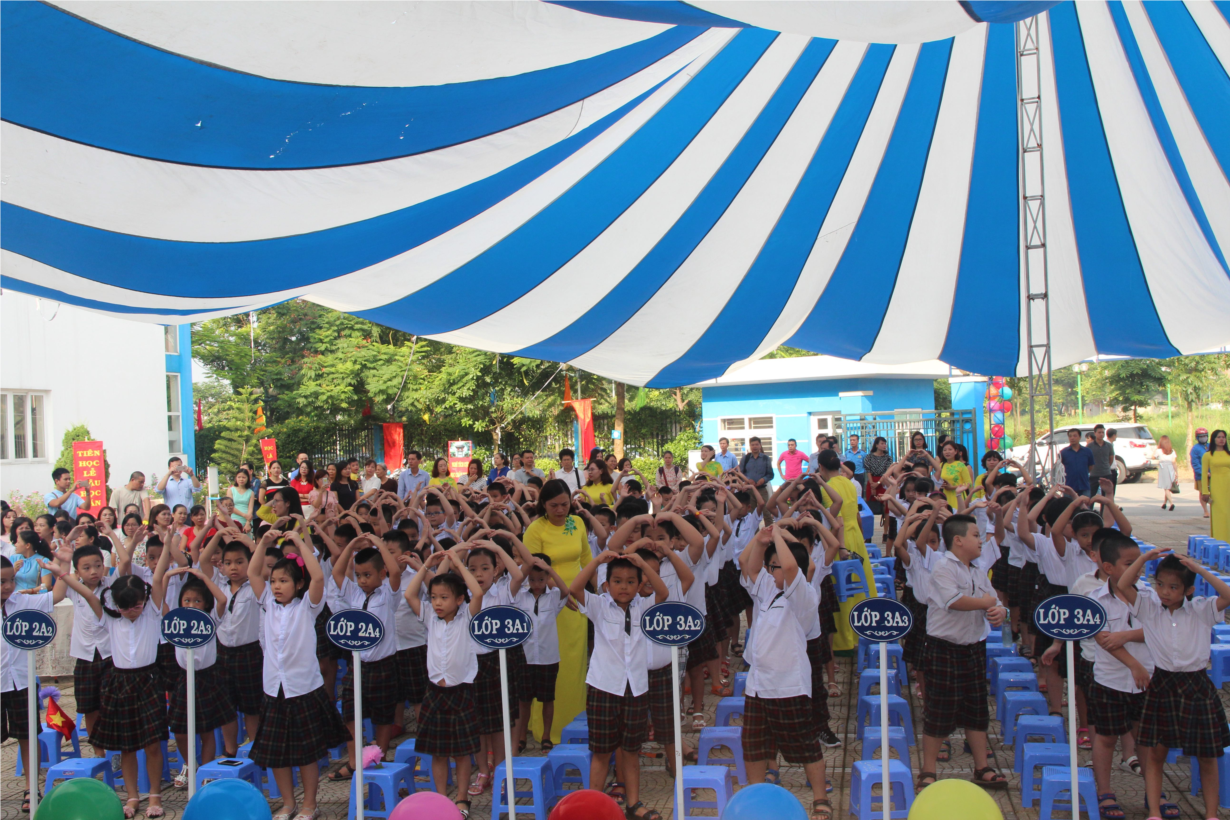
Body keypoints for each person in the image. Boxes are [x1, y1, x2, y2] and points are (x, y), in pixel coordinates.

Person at [1119, 550, 1230, 820]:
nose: (1164, 592)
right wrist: (1143, 560)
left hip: (1196, 684)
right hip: (1163, 683)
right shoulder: (1149, 608)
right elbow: (1123, 584)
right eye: (1160, 585)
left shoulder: (1201, 609)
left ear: (1188, 589)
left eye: (1173, 587)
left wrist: (1200, 570)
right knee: (1156, 753)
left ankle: (1211, 814)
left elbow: (1228, 595)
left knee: (1207, 754)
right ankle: (1154, 811)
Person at [246, 527, 349, 820]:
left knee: (306, 753)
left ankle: (309, 805)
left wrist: (300, 543)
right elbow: (253, 573)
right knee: (276, 753)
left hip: (303, 688)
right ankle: (288, 803)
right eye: (274, 581)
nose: (276, 586)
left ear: (298, 584)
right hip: (274, 689)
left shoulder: (308, 606)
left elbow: (318, 577)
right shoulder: (267, 603)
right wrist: (265, 542)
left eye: (284, 581)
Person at [739, 527, 831, 819]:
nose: (770, 571)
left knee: (804, 743)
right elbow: (749, 565)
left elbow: (790, 567)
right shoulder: (768, 589)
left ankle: (820, 799)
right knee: (753, 743)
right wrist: (761, 540)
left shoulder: (804, 594)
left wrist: (779, 534)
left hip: (788, 684)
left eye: (774, 566)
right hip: (758, 684)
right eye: (770, 566)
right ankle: (756, 796)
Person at [570, 549, 668, 820]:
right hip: (604, 687)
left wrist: (642, 564)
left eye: (630, 581)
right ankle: (593, 806)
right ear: (607, 584)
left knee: (631, 750)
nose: (623, 587)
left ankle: (634, 805)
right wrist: (597, 561)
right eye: (617, 581)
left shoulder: (643, 607)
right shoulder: (599, 606)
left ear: (639, 584)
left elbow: (663, 593)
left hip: (636, 688)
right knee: (601, 751)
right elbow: (575, 588)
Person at [917, 514, 1009, 791]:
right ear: (957, 540)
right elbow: (954, 601)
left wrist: (999, 612)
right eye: (976, 535)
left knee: (976, 709)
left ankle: (982, 768)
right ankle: (928, 771)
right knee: (939, 710)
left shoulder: (977, 571)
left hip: (973, 648)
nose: (981, 541)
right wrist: (987, 603)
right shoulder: (943, 567)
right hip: (944, 648)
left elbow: (995, 601)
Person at [66, 573, 169, 819]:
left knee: (153, 743)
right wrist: (61, 573)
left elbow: (157, 580)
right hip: (120, 682)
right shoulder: (110, 619)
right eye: (125, 607)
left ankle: (155, 794)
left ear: (144, 600)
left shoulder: (152, 613)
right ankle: (132, 795)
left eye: (136, 606)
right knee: (127, 746)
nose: (132, 611)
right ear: (116, 604)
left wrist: (167, 550)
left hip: (148, 681)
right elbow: (88, 594)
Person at [404, 548, 484, 816]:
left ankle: (461, 798)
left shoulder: (467, 617)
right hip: (435, 692)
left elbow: (477, 593)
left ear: (459, 599)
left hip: (462, 691)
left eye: (444, 598)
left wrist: (458, 564)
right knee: (437, 752)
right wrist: (427, 564)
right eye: (434, 597)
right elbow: (409, 594)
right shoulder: (430, 617)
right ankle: (440, 799)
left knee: (462, 752)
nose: (437, 603)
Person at [1081, 530, 1153, 819]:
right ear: (1108, 567)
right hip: (1110, 680)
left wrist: (1126, 636)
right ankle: (1105, 792)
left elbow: (1159, 631)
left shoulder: (1150, 595)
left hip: (1147, 680)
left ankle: (1153, 791)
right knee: (1106, 738)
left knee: (1146, 739)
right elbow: (1104, 640)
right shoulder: (1095, 599)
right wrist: (1133, 663)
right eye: (1130, 563)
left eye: (1140, 563)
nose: (1138, 569)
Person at [154, 556, 235, 785]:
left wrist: (202, 576)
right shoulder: (175, 621)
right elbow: (159, 603)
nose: (191, 605)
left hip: (206, 678)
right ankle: (190, 764)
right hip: (184, 678)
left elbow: (222, 599)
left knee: (206, 729)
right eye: (187, 600)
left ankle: (205, 773)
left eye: (197, 601)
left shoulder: (211, 619)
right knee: (180, 730)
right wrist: (166, 577)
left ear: (205, 603)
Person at [327, 533, 402, 777]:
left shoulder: (389, 594)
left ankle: (378, 759)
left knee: (383, 717)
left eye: (367, 575)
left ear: (381, 574)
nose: (362, 580)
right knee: (349, 712)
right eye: (359, 575)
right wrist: (351, 545)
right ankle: (355, 761)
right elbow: (337, 573)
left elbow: (395, 571)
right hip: (358, 664)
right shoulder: (354, 593)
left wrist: (378, 544)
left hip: (383, 665)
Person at [523, 481, 592, 744]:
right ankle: (547, 730)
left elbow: (586, 559)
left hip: (576, 602)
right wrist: (561, 592)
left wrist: (594, 592)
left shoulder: (578, 523)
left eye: (565, 504)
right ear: (543, 504)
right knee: (549, 664)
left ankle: (575, 721)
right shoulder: (535, 529)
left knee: (574, 664)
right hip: (548, 603)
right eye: (554, 506)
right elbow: (533, 568)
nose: (561, 510)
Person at [197, 532, 264, 755]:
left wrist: (249, 542)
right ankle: (230, 750)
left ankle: (254, 748)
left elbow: (260, 560)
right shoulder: (218, 583)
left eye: (239, 562)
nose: (233, 567)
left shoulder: (256, 586)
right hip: (222, 652)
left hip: (250, 652)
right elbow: (204, 560)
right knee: (227, 707)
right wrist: (217, 533)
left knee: (251, 706)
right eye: (228, 563)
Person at [512, 555, 571, 753]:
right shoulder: (520, 596)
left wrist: (550, 569)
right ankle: (521, 736)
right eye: (532, 579)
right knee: (524, 701)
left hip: (548, 658)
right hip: (525, 657)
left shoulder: (554, 597)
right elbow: (514, 585)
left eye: (541, 579)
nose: (536, 584)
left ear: (548, 578)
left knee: (547, 699)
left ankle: (546, 736)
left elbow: (566, 591)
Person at [1202, 430, 1230, 540]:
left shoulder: (1228, 454)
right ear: (1213, 439)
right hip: (1217, 487)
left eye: (1223, 437)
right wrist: (1205, 491)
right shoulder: (1208, 455)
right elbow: (1204, 474)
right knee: (1220, 513)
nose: (1222, 439)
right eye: (1219, 437)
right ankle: (1220, 540)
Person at [740, 437, 775, 519]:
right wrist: (748, 480)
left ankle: (769, 527)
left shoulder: (766, 458)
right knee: (750, 513)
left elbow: (770, 474)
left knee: (766, 511)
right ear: (750, 446)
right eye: (752, 445)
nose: (754, 446)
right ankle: (752, 528)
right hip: (749, 490)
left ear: (760, 445)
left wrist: (763, 479)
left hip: (762, 489)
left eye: (756, 444)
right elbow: (740, 473)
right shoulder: (745, 458)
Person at [1059, 428, 1095, 497]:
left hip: (1084, 485)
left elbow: (1091, 466)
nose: (1072, 438)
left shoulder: (1087, 451)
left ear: (1080, 437)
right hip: (1069, 486)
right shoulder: (1063, 452)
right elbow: (1059, 469)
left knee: (1085, 503)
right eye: (1070, 436)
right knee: (1068, 503)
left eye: (1075, 436)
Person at [862, 437, 893, 516]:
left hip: (883, 481)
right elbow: (868, 471)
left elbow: (887, 472)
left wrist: (878, 483)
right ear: (876, 445)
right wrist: (872, 485)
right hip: (872, 481)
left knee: (884, 505)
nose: (884, 445)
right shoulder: (869, 457)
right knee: (871, 504)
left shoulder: (888, 458)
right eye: (882, 443)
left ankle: (885, 521)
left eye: (885, 443)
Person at [937, 441, 972, 509]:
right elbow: (936, 481)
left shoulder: (961, 465)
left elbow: (968, 484)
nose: (947, 452)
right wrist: (940, 485)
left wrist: (952, 487)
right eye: (945, 450)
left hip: (958, 496)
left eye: (950, 449)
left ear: (956, 451)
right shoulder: (941, 465)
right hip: (944, 496)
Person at [1088, 424, 1116, 488]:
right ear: (1095, 433)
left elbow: (1111, 459)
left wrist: (1106, 467)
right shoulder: (1090, 446)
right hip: (1094, 474)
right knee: (1092, 493)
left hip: (1106, 474)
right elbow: (1087, 459)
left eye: (1102, 432)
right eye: (1099, 432)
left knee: (1107, 492)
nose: (1101, 434)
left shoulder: (1109, 445)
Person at [1191, 428, 1210, 518]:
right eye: (1201, 436)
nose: (1203, 438)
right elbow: (1195, 463)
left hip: (1213, 474)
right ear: (1197, 438)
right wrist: (1204, 472)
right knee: (1203, 493)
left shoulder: (1211, 446)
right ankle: (1206, 511)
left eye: (1205, 436)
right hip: (1201, 475)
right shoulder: (1195, 449)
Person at [1156, 435, 1178, 511]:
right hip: (1171, 468)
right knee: (1168, 487)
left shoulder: (1159, 451)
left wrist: (1156, 448)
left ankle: (1171, 503)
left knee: (1166, 487)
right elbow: (1174, 462)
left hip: (1163, 468)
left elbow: (1153, 457)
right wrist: (1176, 472)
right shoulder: (1172, 451)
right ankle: (1164, 503)